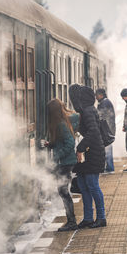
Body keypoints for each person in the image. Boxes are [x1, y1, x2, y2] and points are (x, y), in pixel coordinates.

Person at [69, 84, 106, 229]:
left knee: (93, 186)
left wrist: (80, 147)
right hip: (88, 154)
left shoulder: (88, 111)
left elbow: (93, 132)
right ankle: (88, 217)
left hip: (93, 154)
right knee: (84, 186)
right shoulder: (87, 110)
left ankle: (101, 217)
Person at [46, 98, 80, 231]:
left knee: (63, 191)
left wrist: (57, 156)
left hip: (65, 163)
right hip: (66, 162)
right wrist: (52, 144)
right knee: (63, 191)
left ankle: (72, 222)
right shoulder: (62, 121)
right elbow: (63, 141)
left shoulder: (60, 124)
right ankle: (71, 220)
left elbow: (70, 143)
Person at [96, 88, 116, 174]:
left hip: (106, 130)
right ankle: (108, 167)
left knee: (107, 149)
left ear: (101, 95)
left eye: (96, 95)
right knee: (107, 148)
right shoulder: (105, 102)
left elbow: (101, 116)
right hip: (108, 129)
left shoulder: (104, 103)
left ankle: (110, 168)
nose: (96, 98)